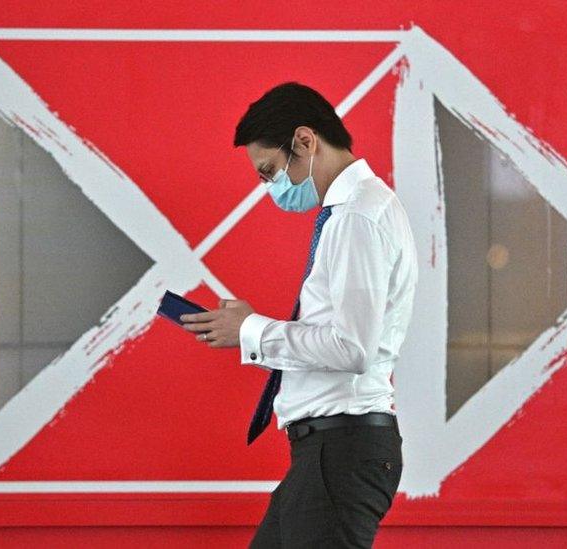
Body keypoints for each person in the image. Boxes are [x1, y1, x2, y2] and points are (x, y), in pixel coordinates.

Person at [180, 81, 419, 548]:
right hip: (330, 451)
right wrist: (248, 328)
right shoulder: (355, 212)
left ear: (306, 141)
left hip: (341, 449)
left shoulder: (357, 217)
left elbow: (350, 347)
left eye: (270, 171)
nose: (271, 187)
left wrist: (251, 329)